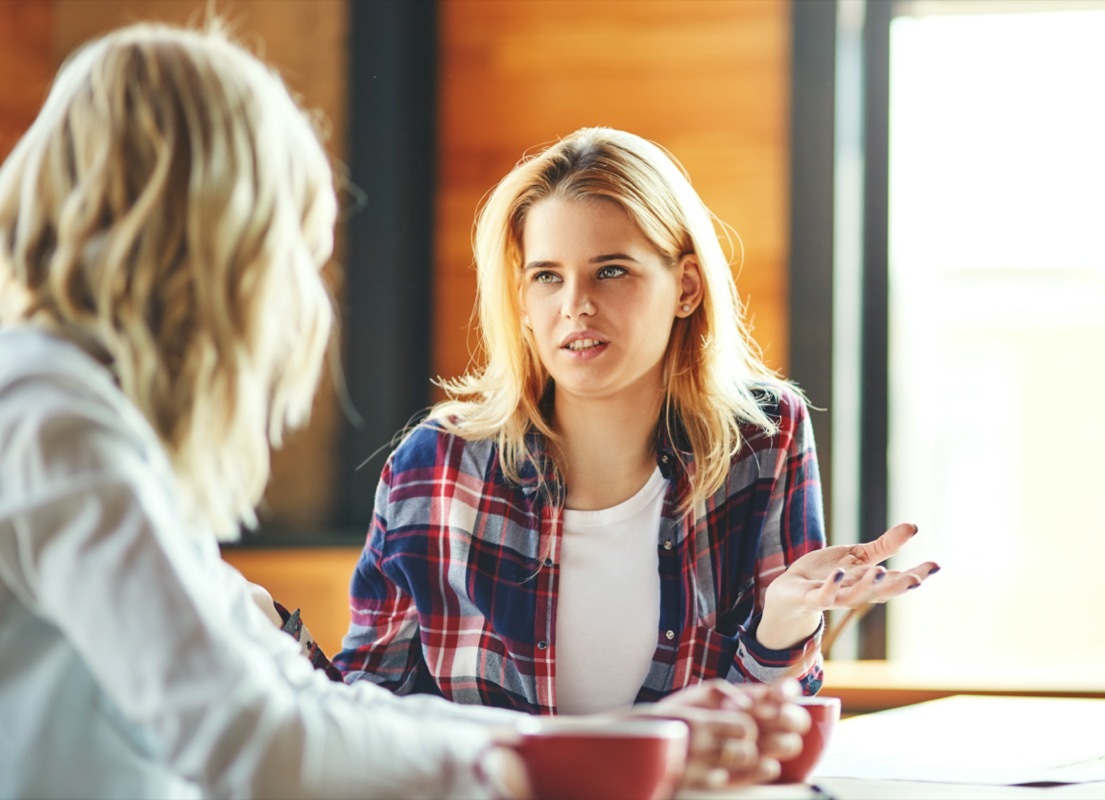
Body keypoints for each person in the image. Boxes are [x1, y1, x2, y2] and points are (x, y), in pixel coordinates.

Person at [0, 25, 804, 798]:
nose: (298, 294)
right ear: (202, 242)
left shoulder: (83, 422)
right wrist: (538, 763)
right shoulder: (51, 422)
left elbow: (317, 709)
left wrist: (614, 746)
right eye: (286, 244)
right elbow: (257, 740)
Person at [335, 128, 939, 717]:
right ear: (521, 301)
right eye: (547, 276)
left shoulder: (762, 435)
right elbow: (362, 710)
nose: (575, 304)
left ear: (686, 286)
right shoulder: (434, 466)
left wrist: (783, 624)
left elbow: (765, 726)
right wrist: (266, 638)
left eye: (611, 270)